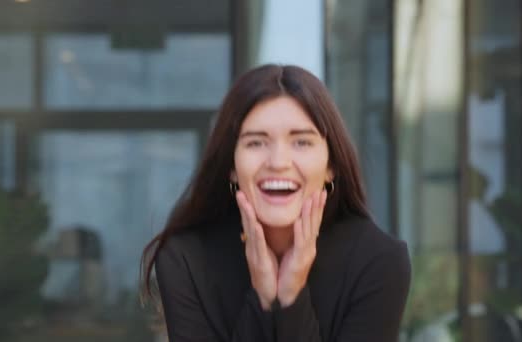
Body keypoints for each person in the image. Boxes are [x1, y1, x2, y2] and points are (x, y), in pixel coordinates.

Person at [141, 64, 411, 341]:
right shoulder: (186, 259)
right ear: (232, 166)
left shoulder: (379, 262)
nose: (278, 162)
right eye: (256, 143)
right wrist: (262, 298)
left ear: (331, 165)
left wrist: (292, 297)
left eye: (302, 142)